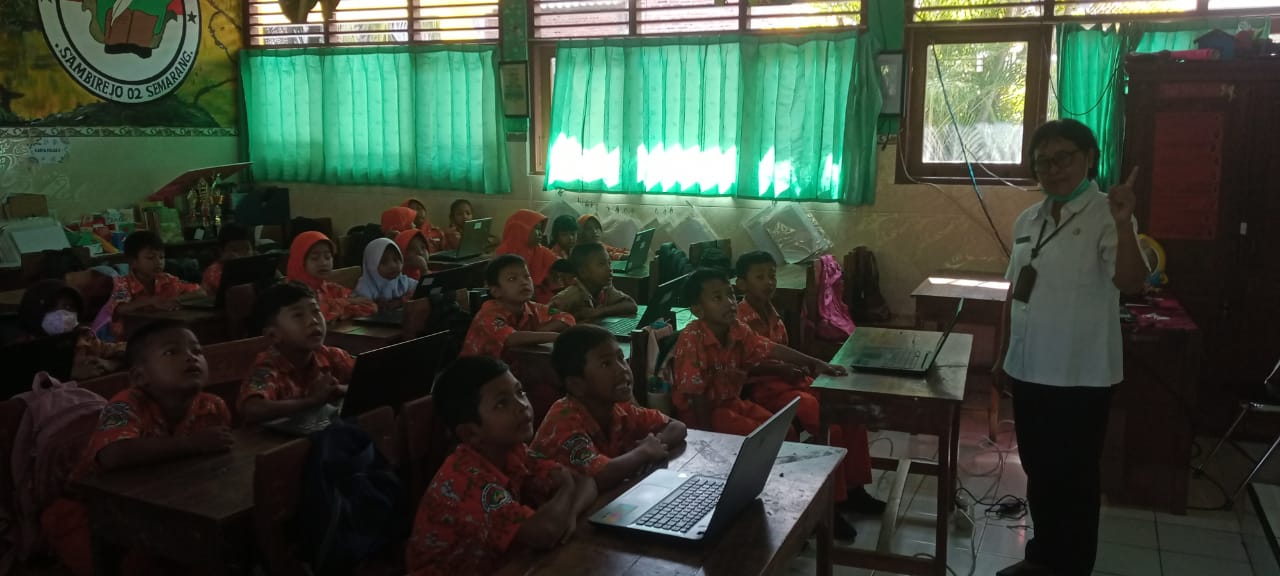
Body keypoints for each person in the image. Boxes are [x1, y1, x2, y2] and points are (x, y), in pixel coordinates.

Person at [993, 119, 1147, 576]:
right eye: (1043, 162)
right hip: (1029, 367)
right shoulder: (1029, 219)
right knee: (1039, 471)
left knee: (1074, 479)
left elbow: (1131, 282)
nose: (1053, 169)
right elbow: (1015, 292)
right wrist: (1003, 355)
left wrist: (1123, 223)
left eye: (1064, 158)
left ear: (1089, 159)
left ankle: (1072, 567)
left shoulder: (1107, 214)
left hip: (1081, 374)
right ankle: (1043, 557)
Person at [42, 320, 232, 576]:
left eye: (197, 351)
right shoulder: (125, 405)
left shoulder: (212, 406)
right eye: (171, 352)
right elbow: (114, 454)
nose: (191, 357)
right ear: (139, 377)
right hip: (87, 512)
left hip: (161, 506)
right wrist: (191, 444)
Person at [406, 356, 597, 576]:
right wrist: (566, 488)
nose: (522, 406)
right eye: (502, 403)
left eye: (520, 392)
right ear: (471, 433)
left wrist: (570, 514)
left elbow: (587, 481)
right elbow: (544, 532)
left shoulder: (515, 451)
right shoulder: (465, 478)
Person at [734, 251, 885, 518]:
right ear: (742, 284)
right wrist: (782, 369)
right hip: (765, 391)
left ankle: (855, 489)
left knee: (851, 413)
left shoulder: (773, 312)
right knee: (830, 427)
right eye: (760, 277)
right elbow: (738, 367)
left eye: (772, 276)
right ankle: (832, 504)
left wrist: (811, 366)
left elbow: (785, 353)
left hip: (792, 381)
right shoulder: (738, 320)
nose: (768, 282)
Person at [534, 325, 686, 491]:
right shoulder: (563, 421)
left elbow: (677, 427)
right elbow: (599, 477)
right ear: (576, 385)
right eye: (606, 364)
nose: (623, 369)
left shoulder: (620, 409)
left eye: (621, 358)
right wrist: (643, 452)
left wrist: (655, 445)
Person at [238, 282, 353, 424]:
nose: (313, 321)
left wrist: (340, 389)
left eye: (316, 311)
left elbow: (370, 379)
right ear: (273, 335)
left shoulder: (333, 356)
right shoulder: (267, 367)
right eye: (298, 315)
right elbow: (253, 408)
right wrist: (311, 401)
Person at [460, 254, 575, 358]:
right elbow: (510, 338)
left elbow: (567, 317)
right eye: (512, 279)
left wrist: (543, 329)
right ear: (496, 291)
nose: (523, 282)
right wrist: (556, 337)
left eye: (526, 276)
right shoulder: (488, 313)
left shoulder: (533, 307)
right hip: (477, 373)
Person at [100, 231, 203, 340]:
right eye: (150, 257)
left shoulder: (167, 280)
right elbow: (119, 309)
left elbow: (200, 292)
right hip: (130, 338)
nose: (158, 262)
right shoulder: (123, 283)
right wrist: (151, 301)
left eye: (161, 257)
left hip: (162, 332)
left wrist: (174, 299)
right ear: (133, 262)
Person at [17, 279, 125, 379]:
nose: (62, 314)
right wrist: (67, 374)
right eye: (50, 307)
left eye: (68, 307)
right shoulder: (23, 351)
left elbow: (127, 349)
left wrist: (111, 363)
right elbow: (19, 380)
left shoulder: (84, 340)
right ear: (33, 312)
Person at [286, 231, 376, 321]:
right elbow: (313, 315)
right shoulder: (290, 294)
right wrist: (346, 303)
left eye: (328, 257)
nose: (324, 263)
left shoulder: (331, 289)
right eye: (314, 258)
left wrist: (336, 307)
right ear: (299, 261)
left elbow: (370, 306)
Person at [548, 242, 637, 323]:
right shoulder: (570, 296)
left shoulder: (605, 288)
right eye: (601, 264)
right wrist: (572, 319)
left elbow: (631, 305)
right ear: (583, 272)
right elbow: (548, 313)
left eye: (609, 263)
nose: (609, 269)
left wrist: (599, 312)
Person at [496, 209, 560, 303]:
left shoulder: (539, 250)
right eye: (536, 229)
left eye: (540, 229)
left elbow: (559, 265)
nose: (540, 233)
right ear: (521, 229)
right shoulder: (503, 254)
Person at [353, 238, 418, 308]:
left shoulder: (402, 281)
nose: (393, 266)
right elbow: (363, 307)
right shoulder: (365, 286)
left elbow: (420, 289)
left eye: (396, 260)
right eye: (384, 262)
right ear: (371, 266)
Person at [201, 224, 254, 294]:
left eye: (247, 249)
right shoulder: (212, 272)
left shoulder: (256, 265)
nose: (242, 255)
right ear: (221, 251)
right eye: (234, 250)